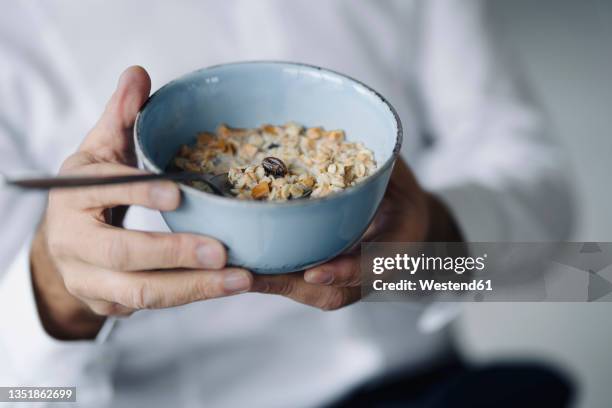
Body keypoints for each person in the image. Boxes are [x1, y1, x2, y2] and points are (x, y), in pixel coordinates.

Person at [0, 1, 575, 406]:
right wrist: (55, 293)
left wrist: (429, 244)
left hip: (430, 390)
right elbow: (15, 393)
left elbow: (570, 256)